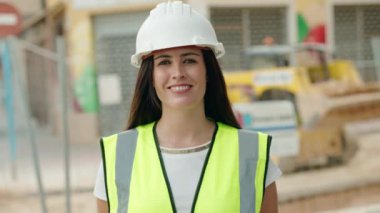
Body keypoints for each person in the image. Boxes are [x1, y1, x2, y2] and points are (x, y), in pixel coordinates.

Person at [93, 1, 282, 212]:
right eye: (164, 62)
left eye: (190, 60)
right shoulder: (118, 157)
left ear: (208, 71)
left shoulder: (251, 153)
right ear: (150, 77)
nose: (178, 72)